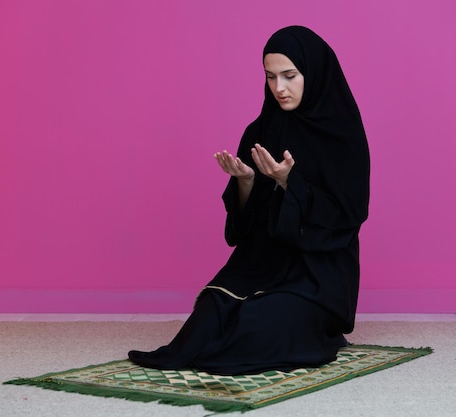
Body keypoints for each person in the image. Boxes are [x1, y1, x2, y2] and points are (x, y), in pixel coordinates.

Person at [128, 26, 370, 375]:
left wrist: (290, 182)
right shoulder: (259, 131)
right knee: (211, 313)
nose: (279, 88)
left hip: (318, 273)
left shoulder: (342, 135)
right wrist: (246, 182)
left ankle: (319, 327)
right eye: (270, 77)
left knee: (260, 324)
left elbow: (348, 214)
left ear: (313, 73)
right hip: (261, 264)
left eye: (290, 76)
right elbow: (243, 230)